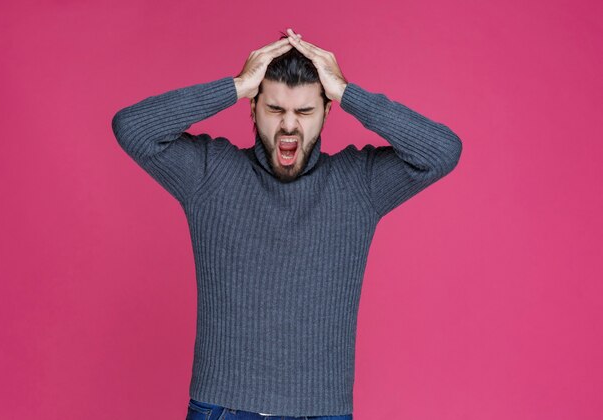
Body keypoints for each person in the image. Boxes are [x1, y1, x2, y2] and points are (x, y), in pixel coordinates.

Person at [111, 28, 462, 420]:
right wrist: (236, 85)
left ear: (328, 112)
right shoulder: (211, 174)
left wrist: (348, 92)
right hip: (223, 408)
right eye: (275, 109)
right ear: (252, 108)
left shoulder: (357, 184)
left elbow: (442, 152)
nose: (289, 126)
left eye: (305, 111)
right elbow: (133, 129)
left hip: (323, 412)